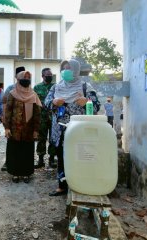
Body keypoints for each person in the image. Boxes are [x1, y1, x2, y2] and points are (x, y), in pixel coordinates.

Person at [45, 59, 97, 196]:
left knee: (80, 157)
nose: (65, 71)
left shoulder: (85, 87)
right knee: (61, 158)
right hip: (59, 131)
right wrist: (54, 102)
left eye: (69, 68)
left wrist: (86, 102)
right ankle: (62, 186)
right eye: (64, 68)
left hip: (79, 131)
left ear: (75, 70)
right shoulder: (56, 87)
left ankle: (79, 185)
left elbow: (96, 106)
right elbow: (46, 103)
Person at [4, 70, 41, 183]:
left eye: (28, 78)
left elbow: (37, 114)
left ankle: (26, 174)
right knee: (14, 151)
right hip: (14, 129)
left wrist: (36, 130)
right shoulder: (12, 93)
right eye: (24, 78)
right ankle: (15, 173)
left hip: (28, 131)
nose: (26, 80)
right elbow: (8, 111)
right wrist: (6, 128)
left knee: (27, 152)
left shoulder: (33, 94)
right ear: (19, 79)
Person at [0, 66, 25, 171]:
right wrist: (5, 120)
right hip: (12, 121)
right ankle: (8, 162)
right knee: (11, 142)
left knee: (24, 144)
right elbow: (5, 104)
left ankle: (22, 164)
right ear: (16, 77)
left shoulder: (29, 89)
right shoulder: (10, 88)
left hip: (24, 122)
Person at [33, 68, 57, 169]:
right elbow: (34, 103)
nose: (50, 77)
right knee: (41, 139)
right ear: (43, 76)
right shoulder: (37, 87)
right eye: (47, 75)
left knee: (53, 139)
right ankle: (41, 160)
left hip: (53, 117)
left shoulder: (56, 86)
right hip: (41, 117)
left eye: (51, 75)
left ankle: (51, 159)